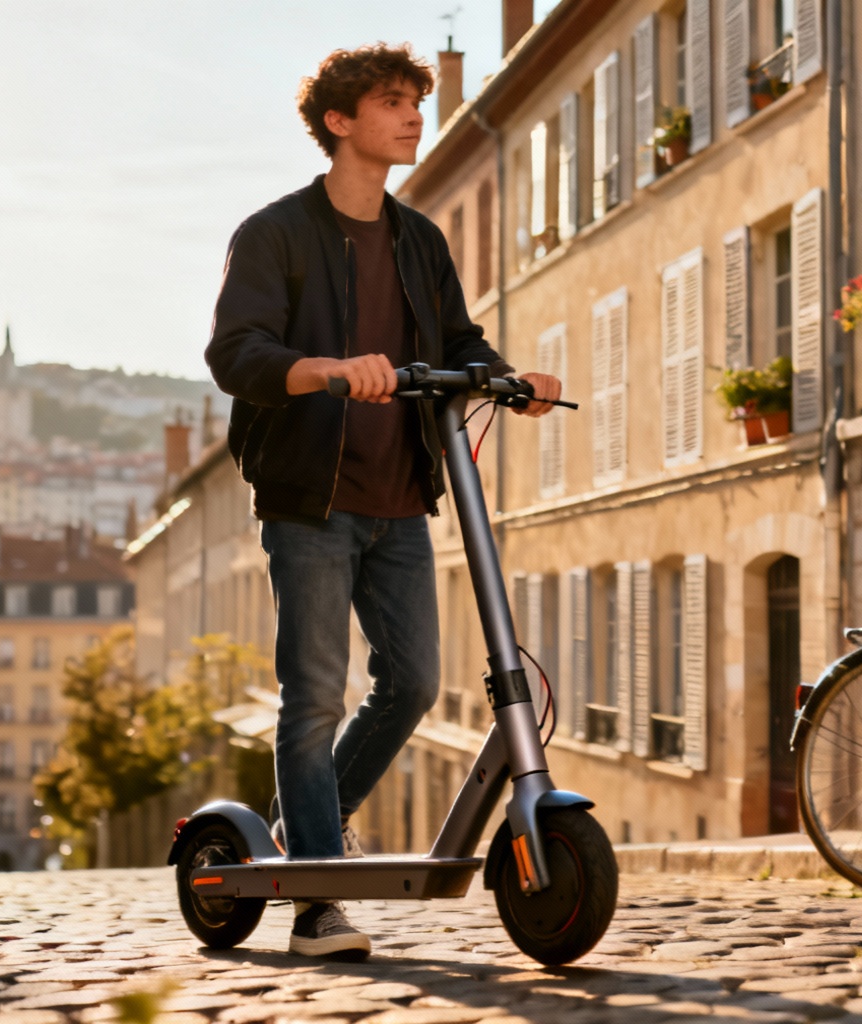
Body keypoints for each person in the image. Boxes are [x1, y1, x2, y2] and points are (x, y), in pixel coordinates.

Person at [205, 44, 563, 960]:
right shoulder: (275, 233)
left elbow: (458, 339)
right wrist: (324, 369)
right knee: (314, 696)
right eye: (393, 102)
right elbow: (236, 353)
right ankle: (316, 903)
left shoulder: (419, 239)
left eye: (416, 102)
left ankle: (307, 829)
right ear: (338, 121)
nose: (413, 117)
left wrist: (508, 378)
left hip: (403, 495)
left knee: (412, 684)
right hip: (310, 499)